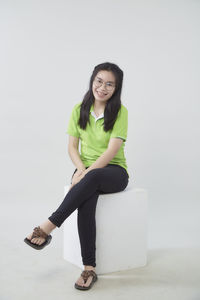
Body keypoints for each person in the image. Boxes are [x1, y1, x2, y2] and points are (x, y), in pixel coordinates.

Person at [24, 62, 129, 291]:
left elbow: (112, 151)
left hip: (114, 172)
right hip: (86, 169)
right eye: (99, 81)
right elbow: (72, 147)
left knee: (91, 179)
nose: (102, 87)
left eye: (109, 84)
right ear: (92, 81)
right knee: (87, 204)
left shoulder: (120, 112)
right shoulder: (78, 109)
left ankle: (49, 225)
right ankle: (89, 268)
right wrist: (81, 170)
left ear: (116, 88)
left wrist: (86, 175)